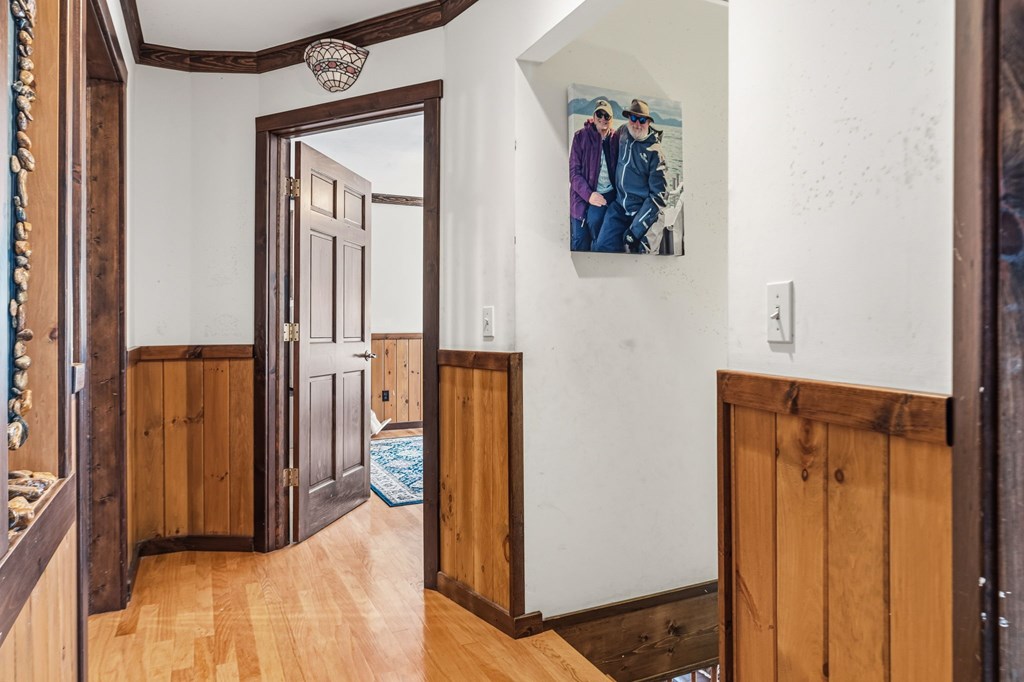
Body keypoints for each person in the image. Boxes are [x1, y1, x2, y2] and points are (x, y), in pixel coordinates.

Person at [592, 99, 668, 254]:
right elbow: (604, 135)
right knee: (602, 247)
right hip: (619, 207)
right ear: (628, 119)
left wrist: (635, 230)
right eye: (633, 118)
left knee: (642, 254)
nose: (637, 124)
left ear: (648, 122)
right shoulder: (623, 132)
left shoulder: (655, 153)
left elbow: (658, 197)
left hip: (644, 212)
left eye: (642, 120)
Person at [569, 99, 619, 251]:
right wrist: (589, 195)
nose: (603, 118)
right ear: (594, 116)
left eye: (607, 116)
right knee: (580, 243)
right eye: (600, 114)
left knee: (600, 228)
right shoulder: (580, 137)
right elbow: (574, 173)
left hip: (608, 195)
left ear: (611, 119)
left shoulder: (616, 139)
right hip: (581, 198)